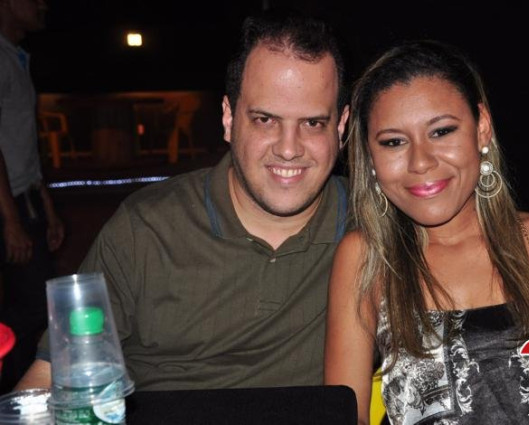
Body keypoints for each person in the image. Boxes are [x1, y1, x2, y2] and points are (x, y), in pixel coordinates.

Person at [16, 11, 350, 392]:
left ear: (340, 127)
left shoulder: (373, 225)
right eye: (265, 120)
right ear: (228, 119)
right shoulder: (145, 229)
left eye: (312, 123)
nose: (289, 149)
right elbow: (52, 375)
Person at [323, 40, 529, 425]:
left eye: (441, 132)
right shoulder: (366, 259)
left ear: (482, 128)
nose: (420, 161)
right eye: (394, 142)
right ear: (370, 156)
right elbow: (344, 415)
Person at [0, 0, 64, 394]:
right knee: (34, 306)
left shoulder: (17, 56)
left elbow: (22, 142)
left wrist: (47, 208)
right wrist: (11, 221)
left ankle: (19, 393)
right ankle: (16, 395)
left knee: (34, 304)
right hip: (8, 206)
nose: (43, 4)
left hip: (24, 198)